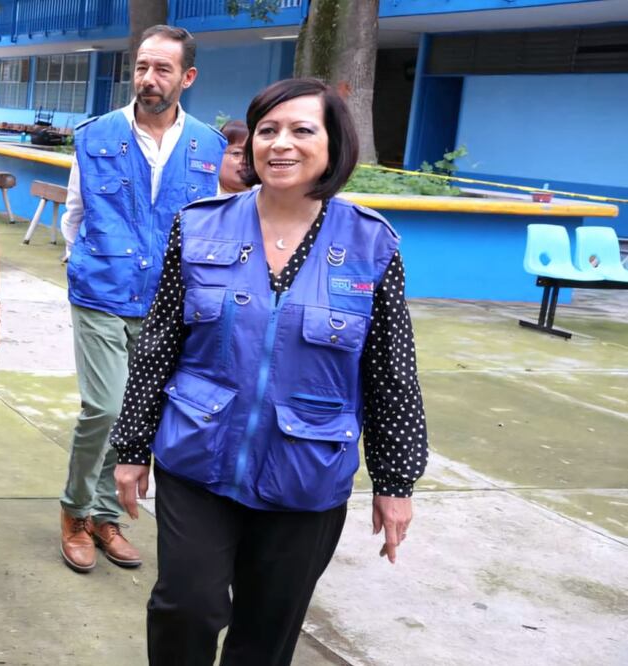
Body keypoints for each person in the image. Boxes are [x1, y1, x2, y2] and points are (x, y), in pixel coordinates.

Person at [111, 78, 429, 664]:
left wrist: (395, 483)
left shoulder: (370, 243)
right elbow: (158, 345)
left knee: (268, 630)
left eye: (301, 130)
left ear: (334, 144)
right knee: (188, 604)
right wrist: (131, 447)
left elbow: (390, 372)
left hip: (307, 472)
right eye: (268, 130)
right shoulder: (199, 225)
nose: (281, 144)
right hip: (197, 453)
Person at [57, 24, 225, 574]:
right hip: (101, 292)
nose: (148, 80)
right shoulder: (95, 136)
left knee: (137, 416)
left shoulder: (208, 146)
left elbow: (207, 229)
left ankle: (107, 515)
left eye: (162, 70)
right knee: (104, 409)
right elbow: (75, 215)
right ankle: (75, 512)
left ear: (187, 77)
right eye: (141, 67)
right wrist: (83, 263)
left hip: (168, 305)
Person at [218, 119, 250, 194]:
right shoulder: (201, 197)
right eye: (237, 153)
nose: (246, 161)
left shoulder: (271, 198)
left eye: (251, 155)